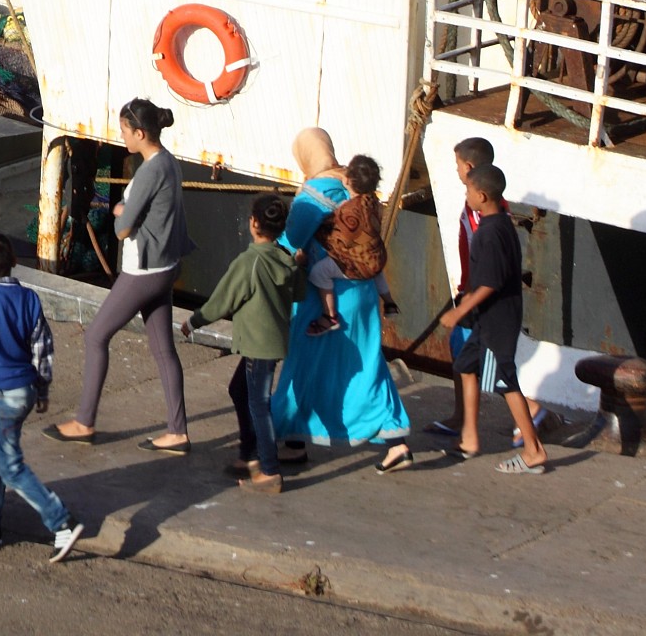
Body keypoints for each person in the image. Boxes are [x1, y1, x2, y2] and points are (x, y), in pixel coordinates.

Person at [49, 98, 192, 454]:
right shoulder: (169, 162)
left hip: (143, 269)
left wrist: (118, 210)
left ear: (140, 133)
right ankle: (177, 431)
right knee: (163, 349)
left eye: (125, 131)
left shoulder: (148, 170)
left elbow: (123, 230)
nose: (122, 136)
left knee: (96, 336)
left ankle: (84, 421)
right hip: (166, 264)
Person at [270, 127, 415, 473]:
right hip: (363, 290)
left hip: (324, 297)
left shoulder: (313, 193)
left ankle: (290, 439)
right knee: (367, 364)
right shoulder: (358, 187)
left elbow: (290, 244)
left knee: (302, 365)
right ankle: (396, 443)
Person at [0, 232, 83, 561]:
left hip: (2, 394)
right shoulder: (30, 299)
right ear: (14, 262)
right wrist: (42, 388)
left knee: (10, 467)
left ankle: (61, 521)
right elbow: (43, 347)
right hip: (25, 390)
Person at [422, 138, 548, 446]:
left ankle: (531, 428)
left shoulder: (487, 220)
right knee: (464, 358)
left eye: (456, 167)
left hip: (486, 307)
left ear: (469, 170)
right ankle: (466, 427)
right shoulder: (485, 207)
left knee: (501, 376)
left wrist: (463, 306)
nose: (456, 173)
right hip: (476, 297)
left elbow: (491, 272)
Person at [186, 193, 301, 494]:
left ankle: (269, 471)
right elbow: (299, 292)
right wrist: (298, 265)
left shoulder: (249, 262)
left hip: (257, 346)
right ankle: (248, 451)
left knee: (258, 404)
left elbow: (222, 302)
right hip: (272, 342)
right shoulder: (285, 259)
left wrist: (194, 321)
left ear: (253, 223)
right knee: (239, 391)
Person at [307, 155, 395, 337]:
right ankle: (389, 302)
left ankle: (329, 317)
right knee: (376, 270)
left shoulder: (348, 211)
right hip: (377, 258)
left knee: (318, 273)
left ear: (346, 179)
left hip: (358, 266)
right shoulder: (374, 203)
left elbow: (332, 235)